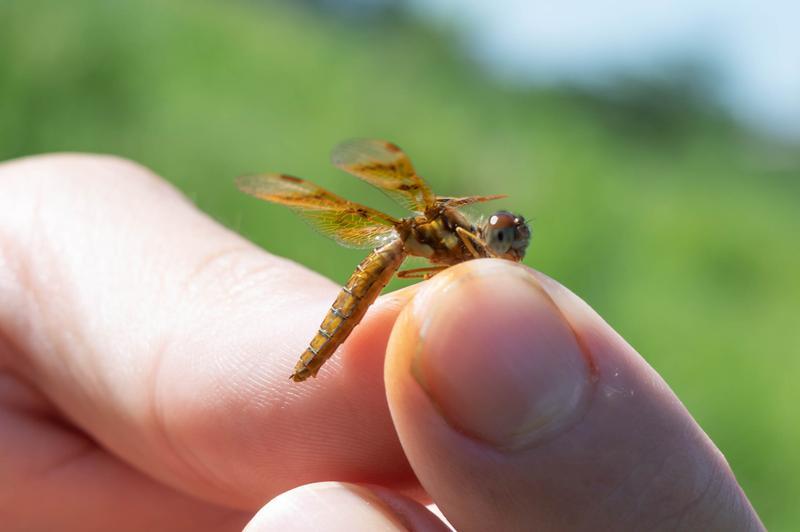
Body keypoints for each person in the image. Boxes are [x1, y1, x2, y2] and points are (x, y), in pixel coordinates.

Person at [0, 154, 763, 531]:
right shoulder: (440, 244)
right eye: (503, 234)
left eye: (512, 238)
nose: (509, 243)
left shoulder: (464, 271)